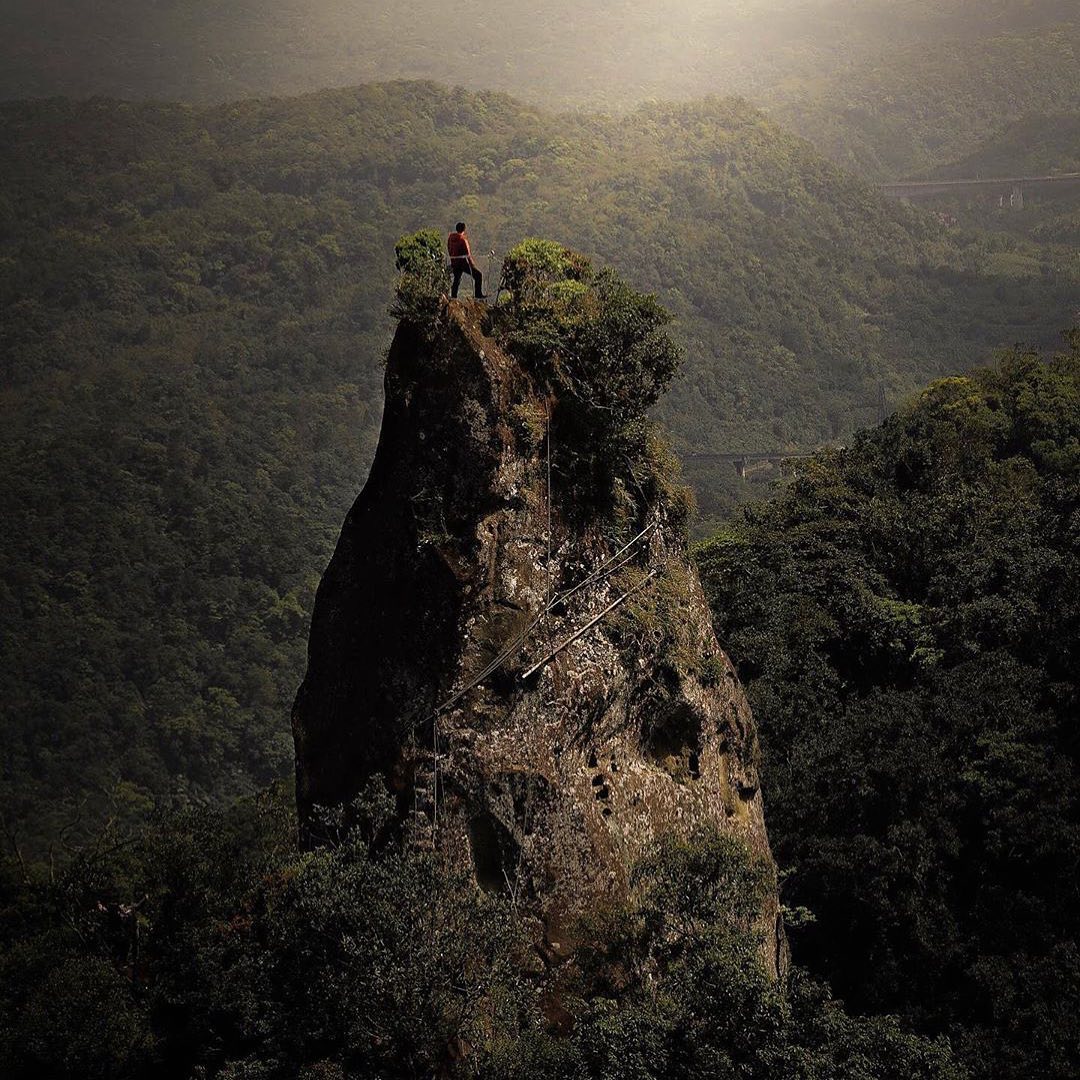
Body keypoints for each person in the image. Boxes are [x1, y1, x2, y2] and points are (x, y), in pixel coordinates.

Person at [447, 222, 487, 299]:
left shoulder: (450, 238)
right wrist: (472, 264)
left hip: (454, 262)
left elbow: (449, 248)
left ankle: (453, 297)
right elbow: (468, 254)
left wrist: (452, 257)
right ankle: (478, 294)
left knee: (457, 279)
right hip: (462, 263)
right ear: (464, 229)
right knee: (478, 275)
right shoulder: (462, 240)